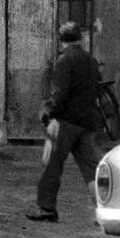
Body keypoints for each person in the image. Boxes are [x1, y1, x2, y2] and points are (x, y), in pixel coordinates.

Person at [25, 21, 100, 222]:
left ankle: (46, 208)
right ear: (81, 38)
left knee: (51, 165)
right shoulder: (91, 61)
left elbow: (60, 94)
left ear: (61, 41)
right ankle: (104, 211)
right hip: (87, 122)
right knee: (91, 169)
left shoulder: (64, 61)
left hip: (65, 122)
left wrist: (49, 113)